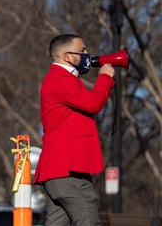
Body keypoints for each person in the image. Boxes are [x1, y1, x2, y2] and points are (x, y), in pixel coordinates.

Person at [34, 34, 115, 225]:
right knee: (88, 215)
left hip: (59, 171)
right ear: (66, 56)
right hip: (68, 169)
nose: (87, 54)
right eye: (82, 51)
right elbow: (93, 103)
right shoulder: (61, 80)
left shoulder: (59, 79)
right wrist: (105, 78)